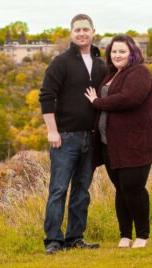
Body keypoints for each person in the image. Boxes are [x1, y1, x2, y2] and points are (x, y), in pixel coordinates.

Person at [39, 14, 105, 254]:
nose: (81, 33)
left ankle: (75, 237)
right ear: (71, 34)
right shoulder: (61, 62)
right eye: (77, 30)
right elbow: (46, 96)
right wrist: (52, 131)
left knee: (82, 191)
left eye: (85, 29)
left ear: (93, 31)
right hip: (65, 138)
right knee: (58, 190)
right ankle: (53, 241)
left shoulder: (99, 64)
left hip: (91, 137)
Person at [84, 34, 152, 248]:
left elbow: (129, 98)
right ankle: (125, 235)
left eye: (122, 51)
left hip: (135, 143)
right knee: (120, 189)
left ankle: (142, 235)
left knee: (133, 188)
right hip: (111, 144)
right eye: (114, 51)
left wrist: (97, 102)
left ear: (132, 53)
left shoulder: (140, 72)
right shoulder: (111, 74)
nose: (117, 55)